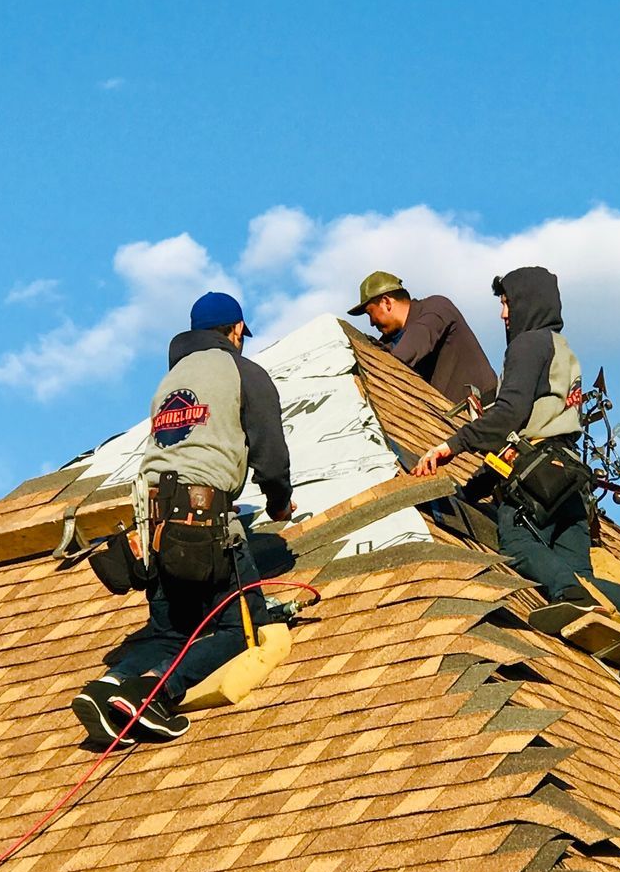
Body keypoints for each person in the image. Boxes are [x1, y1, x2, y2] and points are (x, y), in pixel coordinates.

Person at [410, 266, 620, 657]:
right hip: (568, 481)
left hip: (536, 480)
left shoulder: (527, 345)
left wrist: (449, 446)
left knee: (515, 543)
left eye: (506, 303)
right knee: (580, 576)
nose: (503, 315)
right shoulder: (563, 351)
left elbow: (510, 416)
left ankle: (571, 596)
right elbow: (536, 430)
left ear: (526, 302)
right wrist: (473, 490)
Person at [72, 291, 296, 749]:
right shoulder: (242, 371)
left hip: (154, 524)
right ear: (236, 331)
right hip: (204, 521)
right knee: (240, 628)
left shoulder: (171, 380)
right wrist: (279, 504)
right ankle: (153, 695)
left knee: (170, 631)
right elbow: (271, 451)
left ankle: (109, 686)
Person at [348, 270, 498, 410]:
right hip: (445, 425)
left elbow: (406, 352)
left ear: (386, 302)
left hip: (486, 411)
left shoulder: (436, 308)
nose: (371, 323)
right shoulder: (390, 341)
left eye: (370, 313)